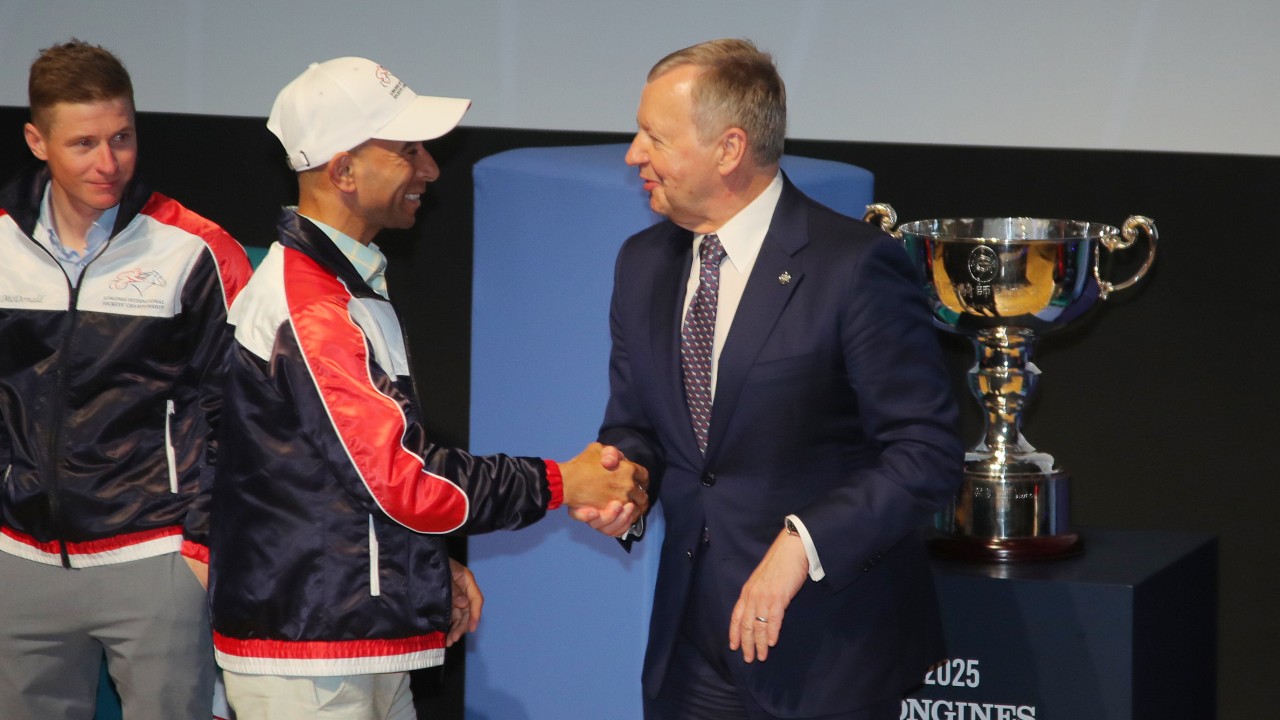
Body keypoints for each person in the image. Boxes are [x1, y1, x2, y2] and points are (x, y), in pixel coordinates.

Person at [208, 56, 649, 719]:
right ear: (342, 170)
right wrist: (564, 482)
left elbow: (340, 482)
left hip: (344, 641)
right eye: (409, 151)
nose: (431, 170)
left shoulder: (345, 289)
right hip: (311, 659)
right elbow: (404, 481)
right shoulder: (312, 307)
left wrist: (425, 566)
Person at [582, 39, 965, 719]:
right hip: (691, 648)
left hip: (827, 649)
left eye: (654, 137)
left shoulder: (854, 268)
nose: (632, 155)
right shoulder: (642, 263)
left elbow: (925, 454)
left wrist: (801, 543)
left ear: (729, 150)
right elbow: (637, 426)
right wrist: (626, 483)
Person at [0, 39, 252, 719]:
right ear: (37, 140)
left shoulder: (196, 249)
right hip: (17, 559)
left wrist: (199, 546)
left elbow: (242, 413)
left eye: (123, 137)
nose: (108, 163)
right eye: (84, 143)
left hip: (155, 558)